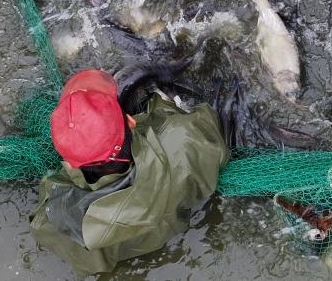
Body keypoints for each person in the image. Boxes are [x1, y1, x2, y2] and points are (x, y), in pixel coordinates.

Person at [29, 69, 229, 277]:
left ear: (70, 162)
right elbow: (216, 141)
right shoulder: (186, 138)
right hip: (178, 220)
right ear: (131, 121)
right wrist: (161, 106)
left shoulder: (53, 219)